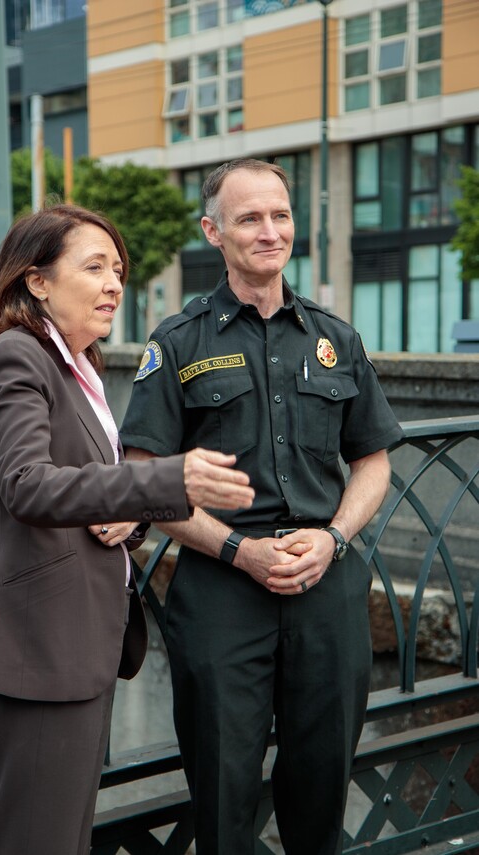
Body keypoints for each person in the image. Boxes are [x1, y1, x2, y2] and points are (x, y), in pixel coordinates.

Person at [119, 159, 404, 855]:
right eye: (249, 218)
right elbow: (144, 475)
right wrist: (239, 549)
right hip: (221, 586)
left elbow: (373, 459)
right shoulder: (177, 342)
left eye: (280, 214)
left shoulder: (337, 338)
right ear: (213, 230)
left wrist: (334, 536)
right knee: (223, 792)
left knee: (322, 785)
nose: (269, 230)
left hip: (325, 581)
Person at [0, 203, 254, 855]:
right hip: (38, 648)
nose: (115, 283)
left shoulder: (75, 368)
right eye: (94, 266)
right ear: (36, 280)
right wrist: (165, 481)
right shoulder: (19, 358)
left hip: (75, 644)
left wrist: (132, 513)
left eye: (117, 269)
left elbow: (94, 497)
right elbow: (28, 484)